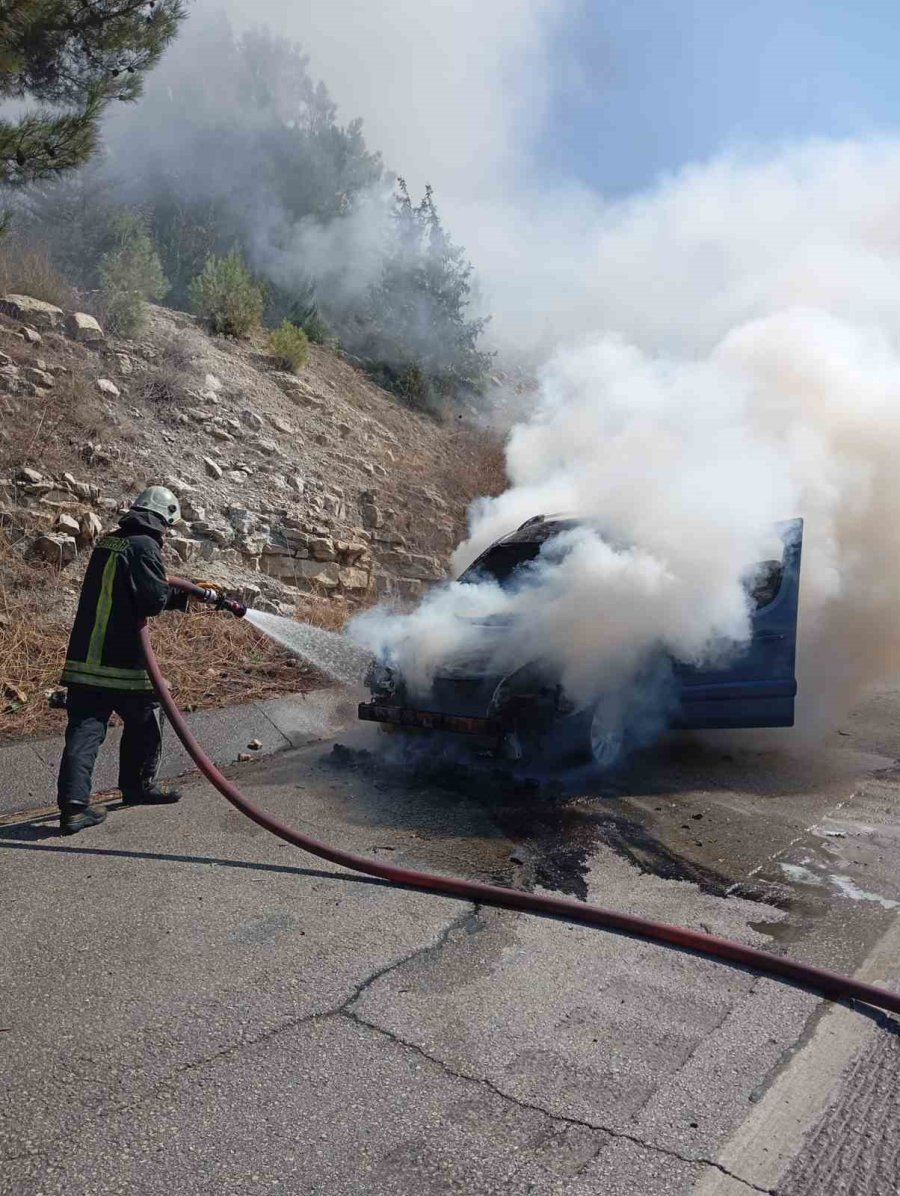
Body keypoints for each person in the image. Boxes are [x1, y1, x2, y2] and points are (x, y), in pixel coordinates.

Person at [57, 485, 189, 835]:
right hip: (122, 662)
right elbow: (151, 600)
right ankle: (137, 787)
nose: (166, 534)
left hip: (85, 657)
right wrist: (182, 595)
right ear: (164, 520)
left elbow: (126, 591)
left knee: (85, 733)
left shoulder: (109, 542)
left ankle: (73, 808)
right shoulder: (145, 546)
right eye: (168, 527)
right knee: (145, 722)